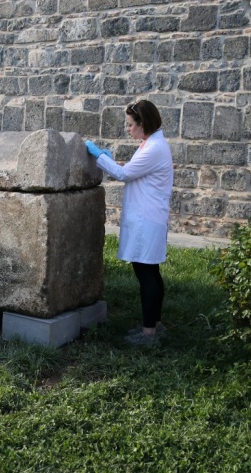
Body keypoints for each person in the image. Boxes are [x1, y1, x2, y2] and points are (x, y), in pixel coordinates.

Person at [85, 100, 173, 346]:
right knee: (149, 273)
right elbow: (134, 170)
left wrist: (100, 156)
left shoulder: (154, 147)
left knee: (147, 275)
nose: (128, 129)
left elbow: (124, 175)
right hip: (148, 216)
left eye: (130, 125)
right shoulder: (151, 143)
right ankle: (153, 326)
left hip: (148, 219)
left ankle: (149, 334)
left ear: (143, 124)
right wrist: (111, 160)